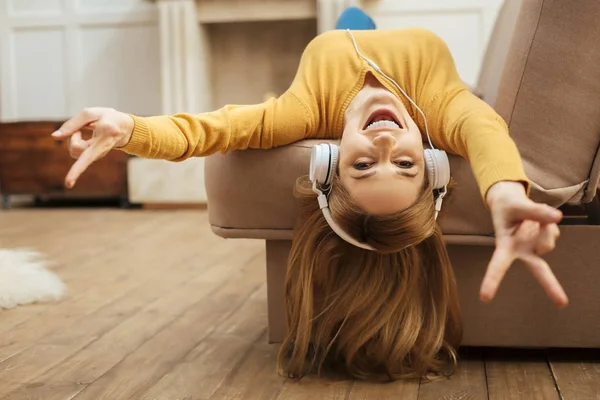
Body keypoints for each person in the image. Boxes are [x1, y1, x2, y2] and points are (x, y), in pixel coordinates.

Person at [51, 7, 565, 381]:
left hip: (340, 36)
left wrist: (129, 128)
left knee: (349, 20)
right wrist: (502, 194)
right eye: (405, 164)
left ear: (329, 160)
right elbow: (484, 130)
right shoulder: (442, 107)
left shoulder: (303, 114)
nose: (385, 141)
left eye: (363, 165)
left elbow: (210, 130)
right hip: (376, 46)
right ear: (431, 160)